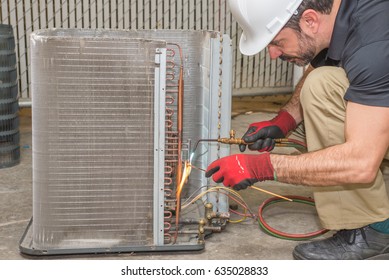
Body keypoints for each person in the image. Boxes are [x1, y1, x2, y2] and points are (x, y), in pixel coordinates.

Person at [205, 0, 389, 260]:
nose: (272, 54)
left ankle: (376, 232)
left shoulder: (375, 44)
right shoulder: (340, 17)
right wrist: (284, 121)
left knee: (349, 145)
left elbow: (361, 162)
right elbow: (320, 66)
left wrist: (262, 167)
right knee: (320, 86)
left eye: (277, 42)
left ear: (310, 20)